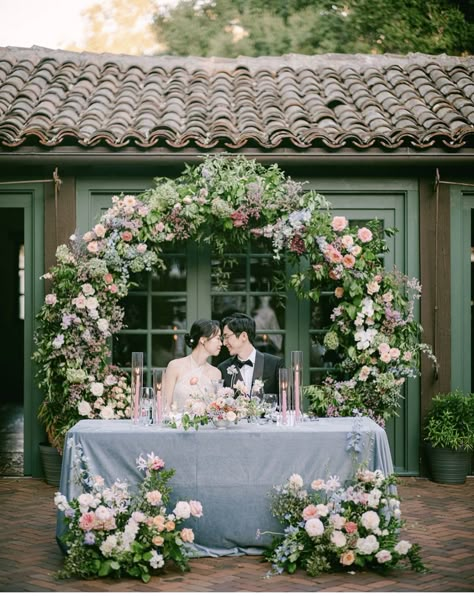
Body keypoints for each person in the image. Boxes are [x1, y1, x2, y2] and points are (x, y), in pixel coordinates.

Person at [163, 319, 222, 412]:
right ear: (203, 340)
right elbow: (165, 405)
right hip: (177, 424)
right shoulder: (174, 366)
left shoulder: (216, 373)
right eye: (218, 338)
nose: (221, 343)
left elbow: (217, 411)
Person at [218, 312, 284, 394]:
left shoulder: (275, 364)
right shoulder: (223, 368)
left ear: (244, 336)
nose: (224, 343)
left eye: (227, 337)